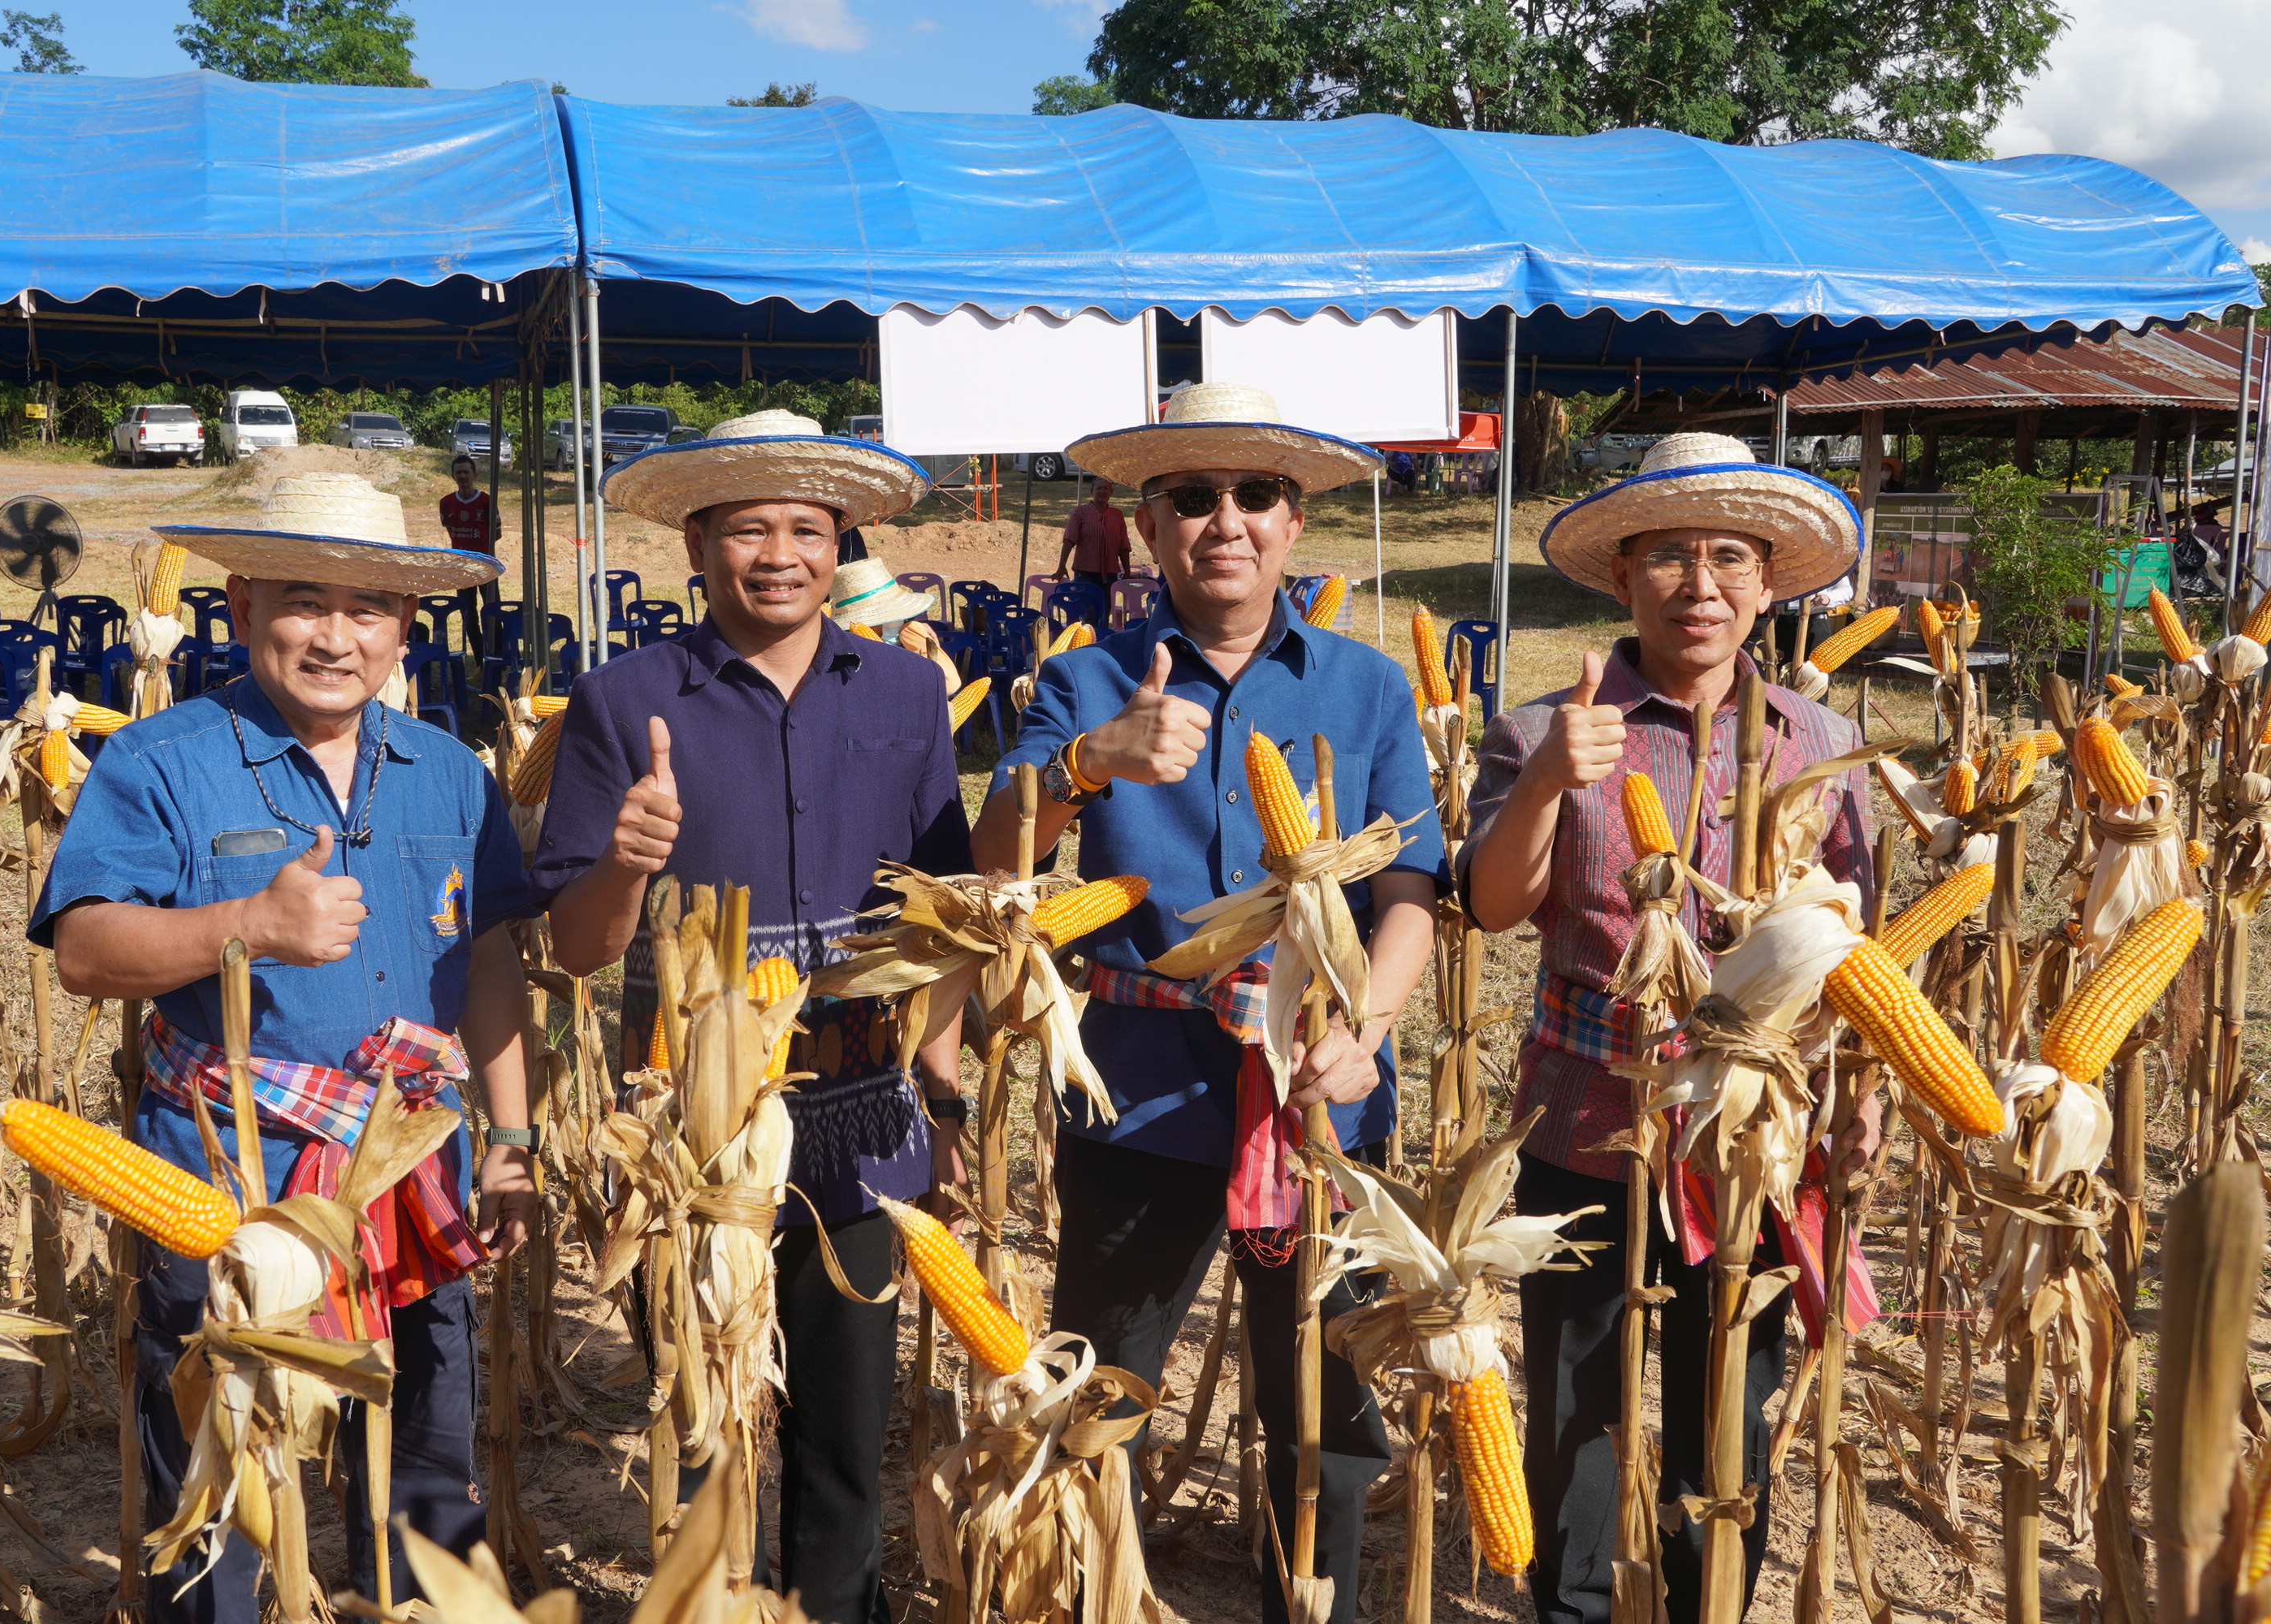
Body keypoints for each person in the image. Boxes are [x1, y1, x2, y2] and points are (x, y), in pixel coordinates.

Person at [971, 382, 1444, 1624]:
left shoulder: (1366, 690)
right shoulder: (1087, 685)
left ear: (1295, 522)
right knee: (1105, 1377)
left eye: (1255, 494)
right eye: (1192, 496)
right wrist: (1090, 766)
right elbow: (993, 864)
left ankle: (1316, 1599)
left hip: (1320, 1091)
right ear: (1146, 521)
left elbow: (1412, 889)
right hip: (1141, 1084)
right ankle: (1092, 1590)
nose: (1224, 520)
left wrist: (1368, 1029)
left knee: (1326, 1390)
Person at [32, 472, 539, 1622]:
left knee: (422, 1483)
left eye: (367, 608)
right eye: (305, 601)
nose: (335, 636)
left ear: (405, 626)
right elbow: (86, 951)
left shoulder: (451, 774)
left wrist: (510, 1137)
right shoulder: (161, 762)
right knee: (223, 1497)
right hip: (232, 1194)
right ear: (244, 600)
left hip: (414, 1179)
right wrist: (246, 926)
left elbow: (494, 963)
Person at [530, 409, 971, 1624]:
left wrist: (944, 1076)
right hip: (689, 1128)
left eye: (806, 530)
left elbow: (947, 909)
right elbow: (574, 945)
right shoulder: (621, 703)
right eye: (745, 530)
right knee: (707, 1410)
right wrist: (624, 865)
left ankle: (832, 1608)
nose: (777, 555)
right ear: (696, 544)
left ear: (843, 545)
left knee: (844, 1423)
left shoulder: (905, 689)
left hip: (858, 1110)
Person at [1457, 431, 1878, 1624]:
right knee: (1574, 1411)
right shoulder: (1550, 726)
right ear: (1624, 575)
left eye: (1730, 558)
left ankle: (1712, 1606)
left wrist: (1860, 1101)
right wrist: (1548, 779)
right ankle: (1574, 1604)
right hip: (1587, 1113)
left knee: (1725, 1408)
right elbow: (1492, 909)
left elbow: (1855, 943)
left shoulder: (1822, 741)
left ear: (1769, 582)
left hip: (1747, 1131)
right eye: (1671, 559)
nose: (1701, 587)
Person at [439, 454, 502, 650]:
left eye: (467, 472)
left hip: (485, 567)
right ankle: (480, 663)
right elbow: (451, 530)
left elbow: (497, 534)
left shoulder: (486, 501)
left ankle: (497, 661)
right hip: (461, 569)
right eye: (459, 473)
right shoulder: (446, 503)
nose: (463, 476)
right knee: (468, 616)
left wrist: (480, 551)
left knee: (492, 614)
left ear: (474, 475)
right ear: (453, 476)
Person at [1056, 476, 1131, 590]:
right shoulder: (1081, 512)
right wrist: (1062, 566)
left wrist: (1127, 572)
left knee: (1106, 607)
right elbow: (1069, 540)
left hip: (1110, 573)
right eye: (1099, 488)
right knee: (1087, 606)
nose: (1102, 491)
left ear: (1111, 492)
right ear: (1092, 492)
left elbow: (1123, 545)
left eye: (1106, 488)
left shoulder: (1117, 514)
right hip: (1085, 572)